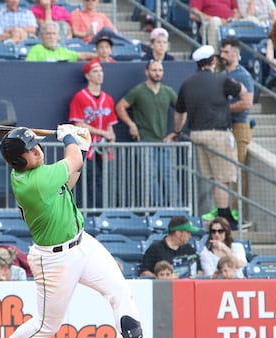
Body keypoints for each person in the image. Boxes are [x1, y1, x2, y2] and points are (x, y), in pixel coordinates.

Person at [0, 125, 163, 338]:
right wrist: (68, 137)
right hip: (53, 259)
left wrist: (83, 145)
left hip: (82, 243)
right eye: (30, 150)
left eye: (36, 145)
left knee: (121, 292)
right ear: (19, 161)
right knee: (47, 325)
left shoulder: (40, 174)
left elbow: (70, 179)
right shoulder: (33, 182)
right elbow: (73, 159)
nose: (37, 151)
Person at [173, 45, 248, 230]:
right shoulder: (221, 79)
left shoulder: (187, 83)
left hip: (196, 134)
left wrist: (176, 131)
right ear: (213, 61)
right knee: (223, 178)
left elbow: (179, 112)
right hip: (217, 134)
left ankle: (223, 213)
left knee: (214, 177)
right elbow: (242, 91)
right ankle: (225, 217)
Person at [115, 60, 178, 206]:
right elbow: (120, 107)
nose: (157, 73)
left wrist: (175, 132)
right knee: (150, 178)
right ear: (147, 72)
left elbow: (182, 109)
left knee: (169, 176)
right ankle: (157, 210)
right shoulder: (139, 90)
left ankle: (176, 208)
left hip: (163, 143)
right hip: (144, 141)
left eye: (160, 70)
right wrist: (131, 125)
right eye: (154, 70)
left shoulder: (167, 91)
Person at [69, 58, 117, 209]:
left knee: (103, 181)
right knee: (88, 180)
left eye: (101, 71)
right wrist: (103, 132)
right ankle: (90, 213)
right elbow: (78, 123)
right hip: (87, 148)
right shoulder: (80, 96)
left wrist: (112, 140)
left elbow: (110, 124)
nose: (99, 74)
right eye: (95, 72)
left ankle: (103, 211)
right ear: (88, 76)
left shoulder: (107, 98)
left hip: (103, 149)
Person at [219, 37, 254, 206]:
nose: (222, 55)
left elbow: (247, 103)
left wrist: (223, 108)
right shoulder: (220, 75)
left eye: (226, 52)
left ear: (236, 53)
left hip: (239, 126)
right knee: (222, 169)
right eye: (221, 51)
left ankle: (237, 210)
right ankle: (222, 208)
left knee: (238, 168)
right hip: (222, 127)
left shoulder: (243, 76)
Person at [26, 21, 96, 62]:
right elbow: (29, 68)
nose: (51, 37)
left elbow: (81, 56)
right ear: (41, 36)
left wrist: (99, 55)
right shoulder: (36, 49)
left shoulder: (62, 51)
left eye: (54, 34)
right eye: (48, 33)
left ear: (58, 37)